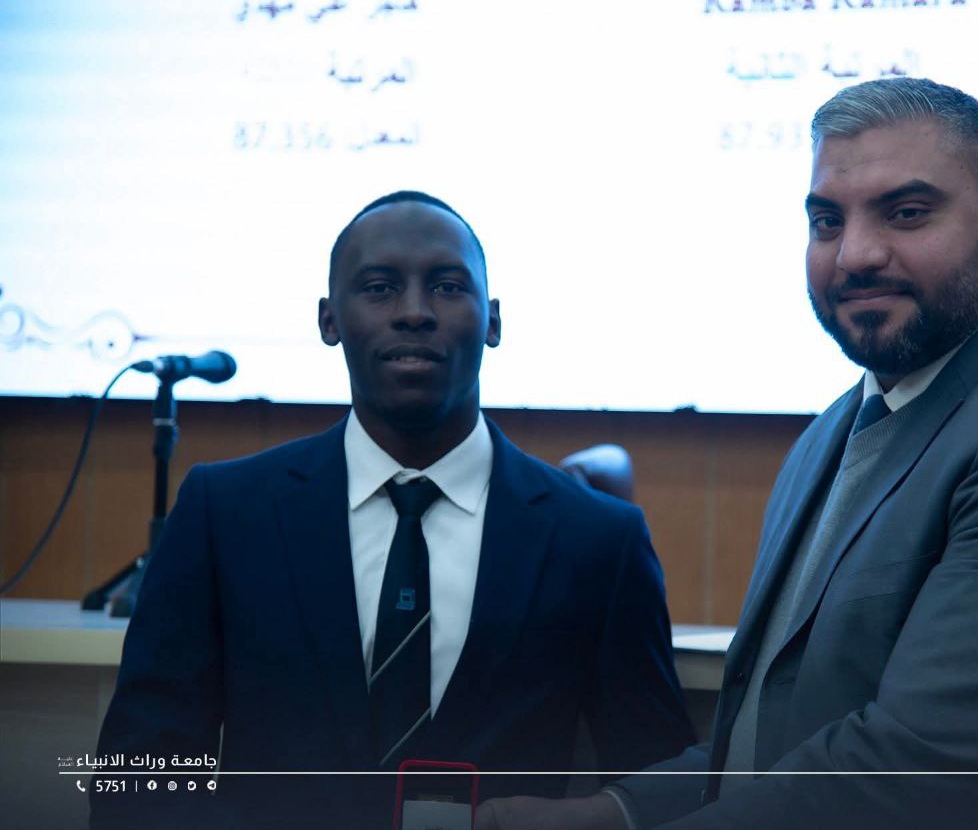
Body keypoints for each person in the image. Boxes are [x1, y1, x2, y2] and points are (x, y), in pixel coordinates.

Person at [476, 79, 978, 829]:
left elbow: (921, 774)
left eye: (907, 212)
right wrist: (613, 812)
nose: (855, 255)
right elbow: (779, 738)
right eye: (827, 221)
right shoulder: (836, 429)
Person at [91, 190, 694, 829]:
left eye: (447, 287)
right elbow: (139, 780)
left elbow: (654, 787)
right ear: (329, 320)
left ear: (492, 321)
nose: (413, 312)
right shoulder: (226, 514)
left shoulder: (598, 539)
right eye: (379, 288)